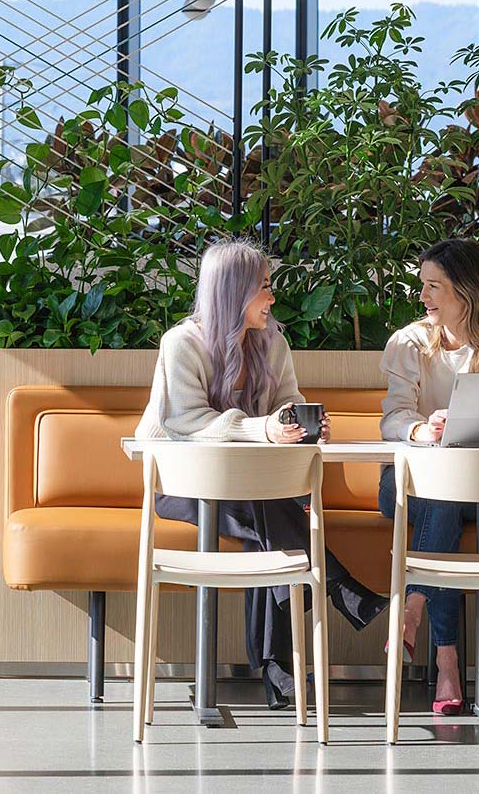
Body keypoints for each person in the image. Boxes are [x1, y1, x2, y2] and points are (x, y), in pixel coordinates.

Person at [134, 238, 386, 709]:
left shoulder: (273, 342)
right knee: (272, 512)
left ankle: (277, 667)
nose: (272, 299)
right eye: (264, 289)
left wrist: (303, 426)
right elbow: (185, 423)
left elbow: (283, 406)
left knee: (266, 524)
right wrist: (262, 429)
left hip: (251, 489)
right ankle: (335, 588)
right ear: (233, 292)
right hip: (181, 482)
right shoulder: (181, 345)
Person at [377, 238, 479, 714]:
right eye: (422, 285)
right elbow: (391, 420)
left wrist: (468, 426)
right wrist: (424, 429)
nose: (424, 296)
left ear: (466, 290)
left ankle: (413, 606)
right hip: (407, 483)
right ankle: (446, 658)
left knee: (448, 493)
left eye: (434, 286)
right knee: (439, 496)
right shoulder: (409, 341)